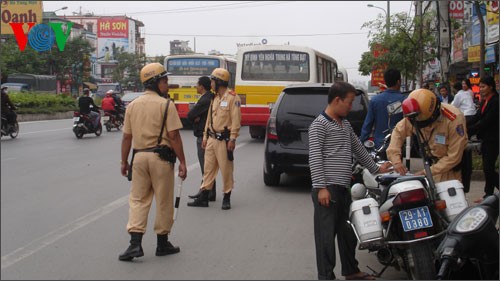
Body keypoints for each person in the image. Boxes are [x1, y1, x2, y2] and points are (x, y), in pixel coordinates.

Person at [308, 81, 392, 280]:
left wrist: (377, 168)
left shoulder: (344, 124)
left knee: (347, 234)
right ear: (337, 100)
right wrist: (321, 188)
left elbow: (359, 151)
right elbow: (315, 157)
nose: (351, 106)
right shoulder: (318, 125)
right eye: (349, 102)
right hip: (327, 190)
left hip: (344, 189)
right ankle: (326, 276)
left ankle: (351, 271)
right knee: (326, 238)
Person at [119, 62, 187, 261]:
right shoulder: (166, 105)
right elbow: (173, 136)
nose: (167, 84)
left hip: (139, 158)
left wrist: (124, 162)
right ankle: (162, 243)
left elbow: (126, 138)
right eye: (165, 80)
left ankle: (134, 244)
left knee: (138, 200)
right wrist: (182, 161)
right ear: (156, 82)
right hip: (161, 159)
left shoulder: (132, 106)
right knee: (164, 200)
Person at [187, 68, 241, 210]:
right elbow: (209, 120)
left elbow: (236, 121)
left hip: (224, 140)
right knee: (208, 169)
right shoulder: (215, 98)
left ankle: (227, 196)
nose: (210, 84)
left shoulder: (232, 98)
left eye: (212, 81)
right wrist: (205, 135)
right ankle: (204, 197)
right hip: (211, 139)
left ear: (219, 82)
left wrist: (233, 139)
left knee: (226, 169)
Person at [387, 89, 468, 183]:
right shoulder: (413, 117)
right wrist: (396, 161)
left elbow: (453, 157)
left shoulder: (454, 119)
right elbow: (398, 133)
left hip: (450, 170)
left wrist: (425, 172)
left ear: (434, 114)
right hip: (430, 165)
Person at [468, 76, 499, 202]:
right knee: (488, 168)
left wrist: (470, 130)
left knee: (488, 167)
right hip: (486, 139)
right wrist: (463, 124)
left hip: (494, 138)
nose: (480, 89)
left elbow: (486, 121)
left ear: (490, 87)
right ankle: (488, 194)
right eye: (480, 87)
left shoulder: (495, 101)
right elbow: (477, 117)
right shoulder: (484, 101)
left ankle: (489, 193)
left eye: (483, 87)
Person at [187, 76, 217, 202]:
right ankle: (209, 192)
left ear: (202, 86)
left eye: (197, 84)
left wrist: (196, 117)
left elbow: (190, 115)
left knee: (205, 166)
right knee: (208, 166)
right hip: (209, 134)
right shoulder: (211, 97)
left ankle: (205, 192)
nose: (195, 86)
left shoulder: (205, 99)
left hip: (203, 136)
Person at [360, 68, 406, 148]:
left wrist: (363, 140)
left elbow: (368, 124)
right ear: (398, 82)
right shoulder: (405, 100)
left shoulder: (375, 100)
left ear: (385, 82)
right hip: (399, 145)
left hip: (379, 144)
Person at [451, 80, 477, 193]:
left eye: (465, 84)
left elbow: (452, 106)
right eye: (462, 85)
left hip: (465, 116)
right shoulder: (470, 93)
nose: (464, 86)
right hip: (472, 115)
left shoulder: (459, 95)